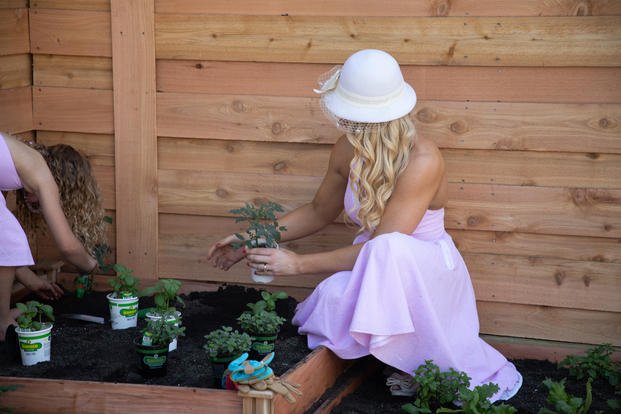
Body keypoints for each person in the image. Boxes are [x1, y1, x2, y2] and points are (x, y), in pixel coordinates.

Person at [207, 49, 522, 401]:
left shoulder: (423, 160)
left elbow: (384, 247)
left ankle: (414, 363)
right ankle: (390, 358)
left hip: (421, 271)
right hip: (375, 263)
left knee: (387, 249)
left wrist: (298, 263)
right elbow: (317, 211)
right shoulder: (346, 148)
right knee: (330, 300)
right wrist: (249, 236)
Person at [0, 133, 105, 342]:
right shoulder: (41, 172)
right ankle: (2, 323)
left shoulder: (12, 171)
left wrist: (32, 282)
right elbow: (68, 247)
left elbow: (2, 253)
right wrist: (92, 267)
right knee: (11, 235)